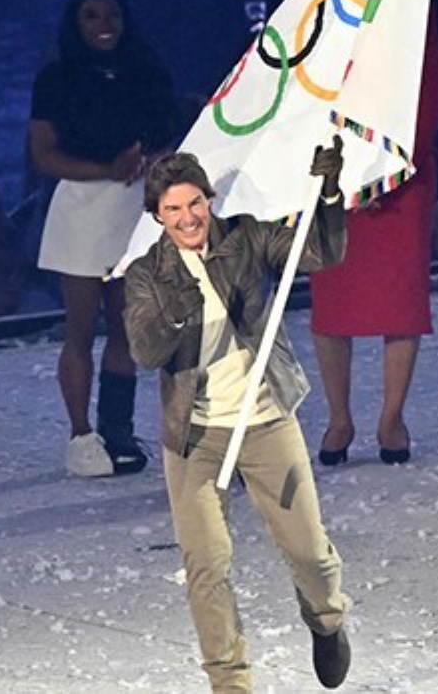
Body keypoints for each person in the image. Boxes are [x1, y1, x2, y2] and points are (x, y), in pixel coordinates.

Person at [123, 142, 352, 693]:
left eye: (195, 204)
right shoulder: (146, 275)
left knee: (309, 553)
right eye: (173, 210)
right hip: (196, 436)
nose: (188, 218)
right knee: (206, 566)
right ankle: (229, 683)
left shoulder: (245, 237)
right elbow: (144, 349)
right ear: (158, 217)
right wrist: (181, 306)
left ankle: (326, 619)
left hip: (266, 420)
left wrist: (328, 192)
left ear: (210, 200)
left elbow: (319, 252)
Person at [29, 0, 179, 477]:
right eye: (91, 16)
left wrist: (146, 164)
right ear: (76, 22)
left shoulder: (147, 70)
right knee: (80, 327)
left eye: (111, 14)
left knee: (125, 325)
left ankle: (117, 430)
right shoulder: (57, 79)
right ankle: (80, 434)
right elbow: (44, 153)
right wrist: (104, 170)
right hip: (81, 207)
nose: (104, 25)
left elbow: (169, 135)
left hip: (134, 206)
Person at [310, 19, 438, 466]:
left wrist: (388, 170)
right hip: (336, 172)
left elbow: (425, 95)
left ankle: (392, 419)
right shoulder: (333, 5)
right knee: (333, 298)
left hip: (402, 175)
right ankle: (339, 418)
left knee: (400, 299)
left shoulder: (413, 11)